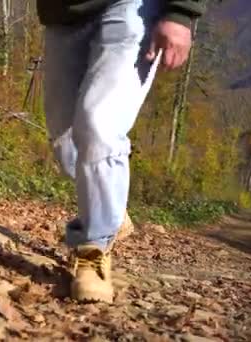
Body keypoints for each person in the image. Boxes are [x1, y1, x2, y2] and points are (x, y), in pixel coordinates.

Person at [36, 0, 206, 303]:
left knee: (98, 124)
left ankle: (94, 248)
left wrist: (180, 12)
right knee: (65, 142)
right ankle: (112, 210)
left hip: (134, 8)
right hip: (62, 13)